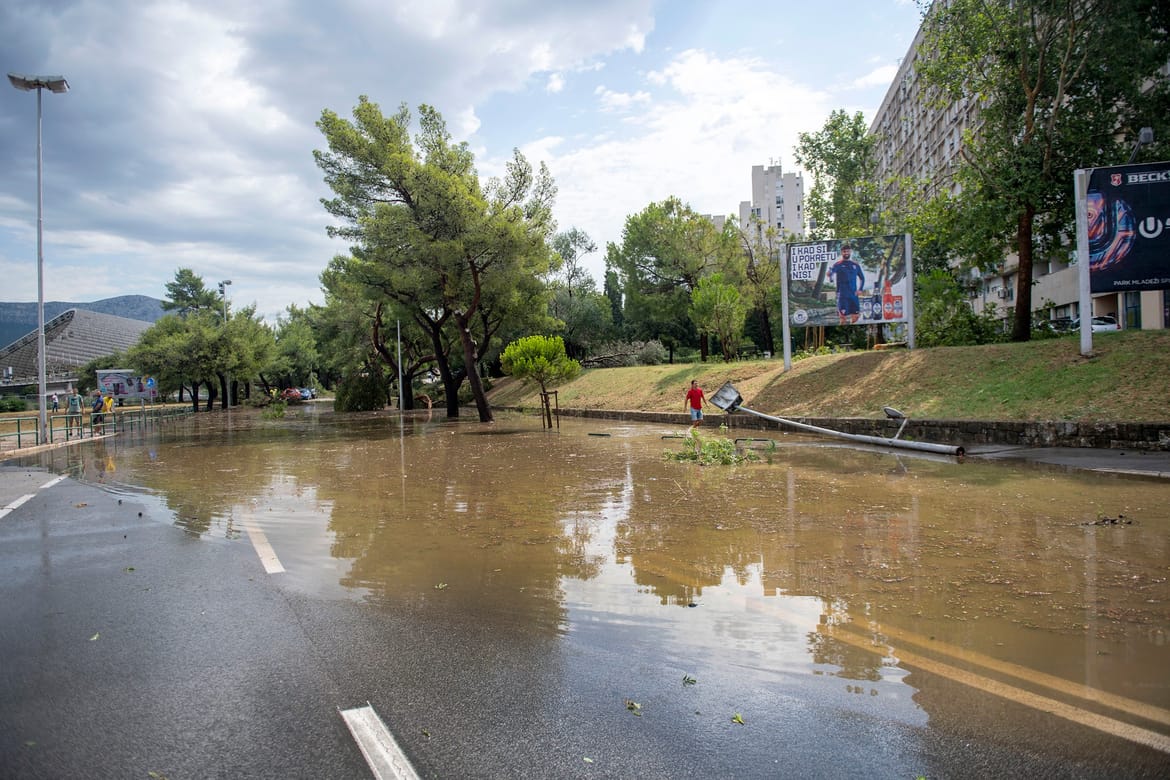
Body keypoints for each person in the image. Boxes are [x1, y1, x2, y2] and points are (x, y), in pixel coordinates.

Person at [828, 242, 866, 325]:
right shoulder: (837, 265)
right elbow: (831, 273)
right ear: (842, 252)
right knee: (843, 318)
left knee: (856, 316)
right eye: (844, 251)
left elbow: (862, 278)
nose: (846, 253)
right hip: (842, 295)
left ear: (850, 252)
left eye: (848, 251)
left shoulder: (855, 265)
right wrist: (830, 275)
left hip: (853, 295)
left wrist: (860, 289)